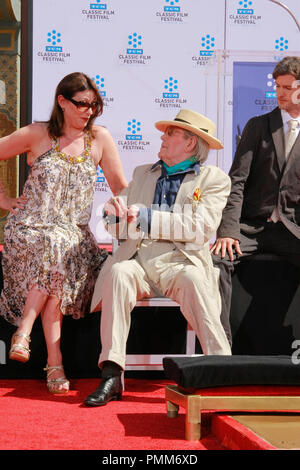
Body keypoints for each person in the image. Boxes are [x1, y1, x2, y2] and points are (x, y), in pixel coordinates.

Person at [84, 108, 232, 407]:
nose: (162, 138)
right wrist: (113, 216)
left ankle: (223, 371)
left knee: (194, 279)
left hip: (180, 263)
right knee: (118, 272)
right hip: (139, 259)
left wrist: (148, 217)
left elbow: (200, 228)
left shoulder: (215, 179)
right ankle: (111, 374)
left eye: (170, 134)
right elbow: (120, 227)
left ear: (190, 143)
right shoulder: (142, 173)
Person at [0, 72, 127, 394]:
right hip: (28, 228)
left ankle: (28, 337)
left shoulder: (100, 138)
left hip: (72, 234)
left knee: (59, 248)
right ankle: (52, 362)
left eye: (94, 106)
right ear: (62, 101)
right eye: (82, 104)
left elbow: (121, 186)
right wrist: (3, 198)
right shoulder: (37, 133)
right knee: (55, 246)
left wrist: (131, 207)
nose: (88, 111)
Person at [212, 56, 300, 343]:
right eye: (278, 86)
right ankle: (220, 349)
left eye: (288, 87)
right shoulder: (258, 125)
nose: (280, 93)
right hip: (253, 227)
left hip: (292, 230)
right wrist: (228, 231)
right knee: (216, 261)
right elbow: (236, 181)